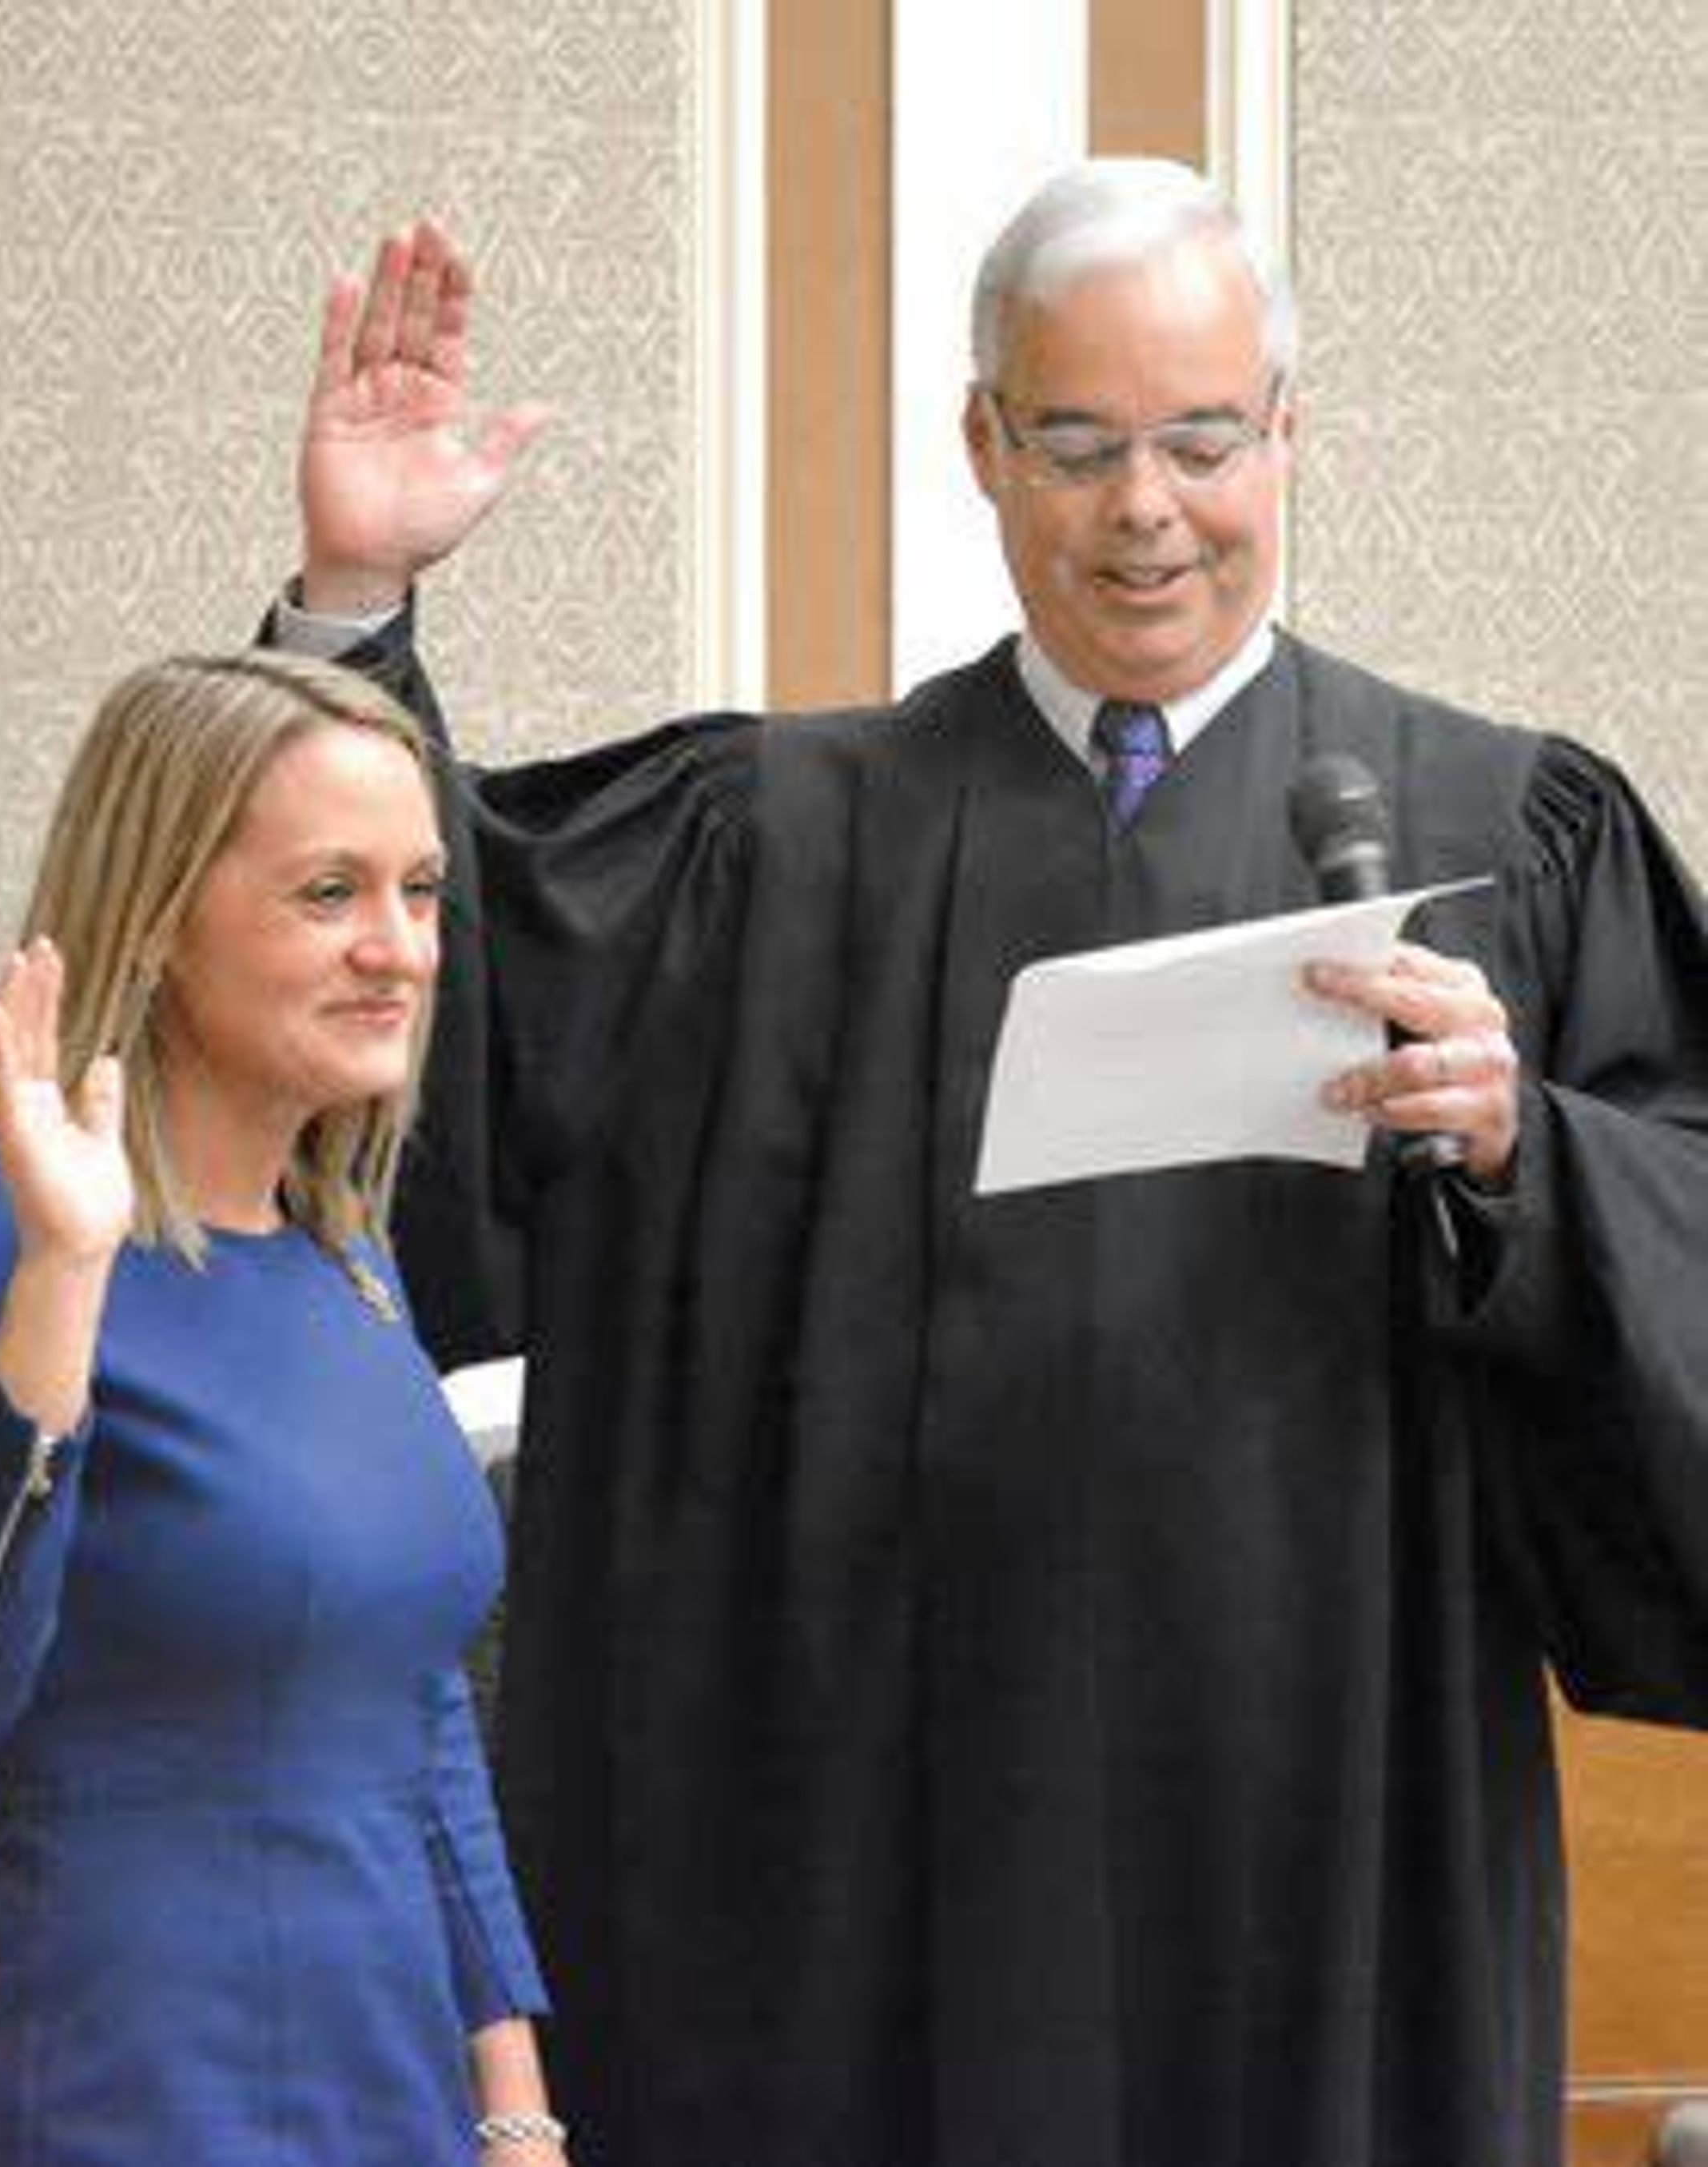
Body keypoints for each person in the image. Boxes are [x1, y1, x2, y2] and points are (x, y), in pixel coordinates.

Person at [265, 161, 1708, 2167]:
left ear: (1289, 437)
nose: (1149, 509)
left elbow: (1689, 1237)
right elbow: (434, 1008)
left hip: (1326, 1838)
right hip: (858, 1851)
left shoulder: (1505, 832)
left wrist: (1525, 1155)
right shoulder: (770, 845)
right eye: (1083, 443)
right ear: (983, 444)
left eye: (1206, 442)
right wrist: (357, 608)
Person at [0, 653, 565, 2167]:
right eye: (328, 894)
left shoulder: (347, 1254)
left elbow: (417, 1703)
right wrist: (65, 1274)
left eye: (421, 892)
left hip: (394, 2100)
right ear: (158, 916)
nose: (399, 951)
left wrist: (513, 2102)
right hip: (104, 2095)